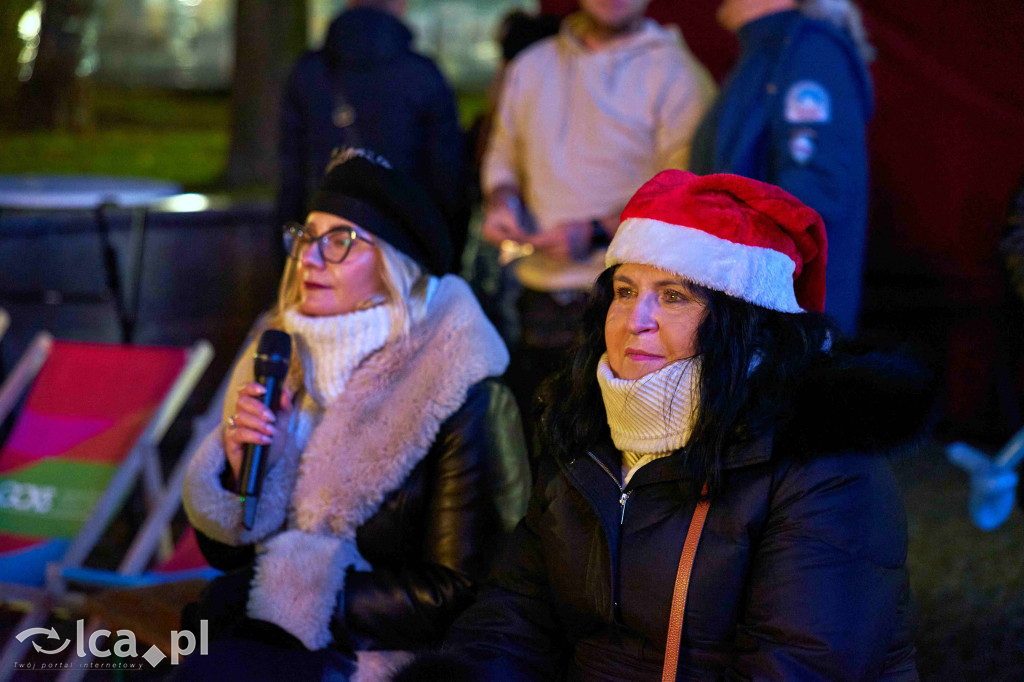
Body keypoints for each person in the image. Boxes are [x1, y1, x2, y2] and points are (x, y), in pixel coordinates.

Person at [421, 171, 927, 680]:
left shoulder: (823, 464)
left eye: (674, 296)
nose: (634, 319)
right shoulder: (584, 427)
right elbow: (515, 614)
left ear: (743, 319)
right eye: (624, 290)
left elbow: (799, 664)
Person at [180, 148, 530, 680]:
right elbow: (226, 556)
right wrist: (242, 471)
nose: (310, 260)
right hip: (270, 645)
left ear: (395, 266)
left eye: (340, 242)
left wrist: (294, 585)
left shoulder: (465, 391)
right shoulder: (280, 355)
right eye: (306, 238)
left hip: (388, 660)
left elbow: (466, 590)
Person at [480, 0, 715, 417]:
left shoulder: (679, 75)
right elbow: (502, 158)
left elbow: (685, 194)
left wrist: (596, 231)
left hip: (628, 307)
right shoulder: (532, 65)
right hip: (535, 301)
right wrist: (502, 202)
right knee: (537, 448)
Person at [690, 0, 874, 335]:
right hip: (753, 315)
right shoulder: (767, 53)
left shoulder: (809, 52)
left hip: (786, 325)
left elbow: (815, 194)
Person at [276, 0, 468, 266]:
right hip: (403, 249)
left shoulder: (308, 73)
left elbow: (291, 178)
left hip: (323, 244)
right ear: (400, 4)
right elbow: (447, 177)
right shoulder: (423, 75)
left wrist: (287, 257)